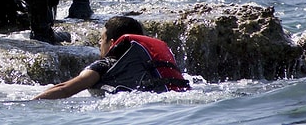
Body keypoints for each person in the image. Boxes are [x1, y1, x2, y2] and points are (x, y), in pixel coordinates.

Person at [33, 16, 190, 99]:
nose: (99, 43)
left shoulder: (106, 64)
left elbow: (65, 89)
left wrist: (30, 104)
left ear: (112, 43)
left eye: (102, 39)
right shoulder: (151, 63)